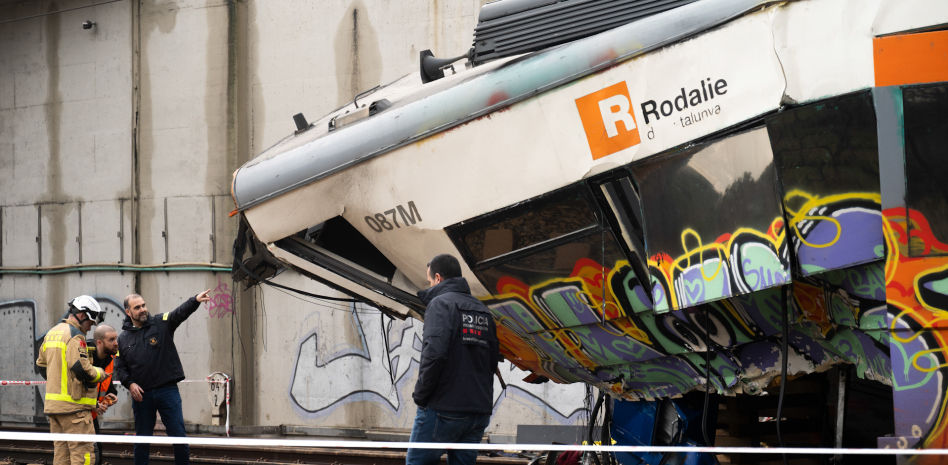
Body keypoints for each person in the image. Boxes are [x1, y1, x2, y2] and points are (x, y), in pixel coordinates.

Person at [406, 254, 501, 465]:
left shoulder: (440, 304)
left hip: (444, 408)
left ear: (438, 278)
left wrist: (421, 395)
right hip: (478, 411)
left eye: (429, 281)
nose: (430, 285)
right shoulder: (483, 311)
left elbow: (435, 354)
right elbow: (492, 360)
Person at [113, 290, 210, 465]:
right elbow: (120, 368)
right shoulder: (122, 339)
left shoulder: (161, 323)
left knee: (179, 437)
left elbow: (179, 313)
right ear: (128, 312)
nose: (143, 309)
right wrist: (130, 384)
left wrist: (195, 300)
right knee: (142, 440)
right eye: (137, 307)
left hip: (167, 391)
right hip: (142, 395)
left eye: (143, 305)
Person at [36, 295, 107, 465]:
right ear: (81, 315)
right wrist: (100, 373)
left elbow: (41, 365)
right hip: (75, 409)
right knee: (83, 456)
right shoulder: (75, 336)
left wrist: (58, 382)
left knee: (62, 456)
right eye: (90, 322)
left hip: (55, 408)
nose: (90, 327)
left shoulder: (52, 333)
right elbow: (80, 368)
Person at [88, 324, 119, 465]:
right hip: (80, 415)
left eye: (116, 338)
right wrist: (94, 404)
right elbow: (77, 389)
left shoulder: (109, 359)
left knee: (97, 453)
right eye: (111, 340)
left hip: (92, 415)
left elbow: (108, 386)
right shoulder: (86, 358)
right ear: (99, 342)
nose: (116, 343)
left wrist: (111, 396)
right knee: (88, 454)